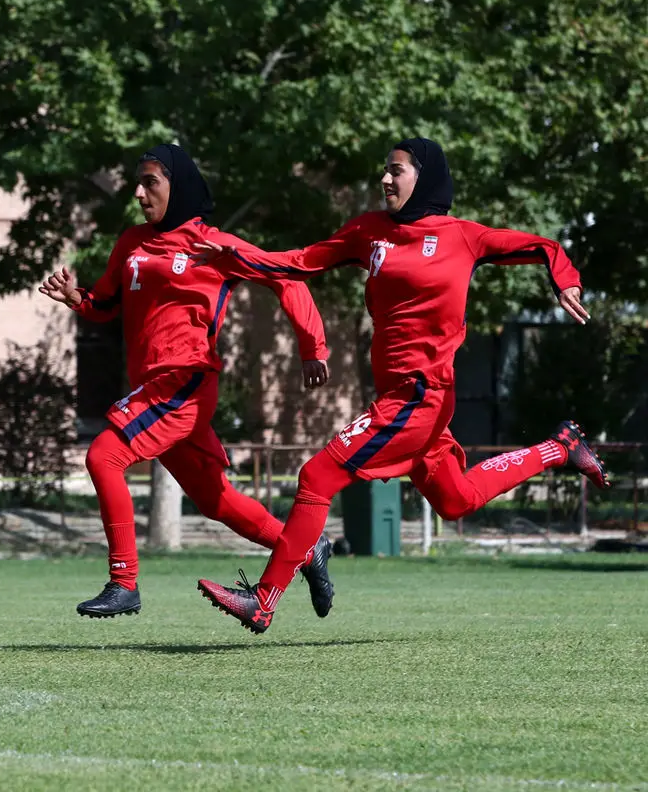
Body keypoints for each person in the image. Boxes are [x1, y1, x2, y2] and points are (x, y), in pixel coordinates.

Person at [192, 137, 610, 634]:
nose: (385, 180)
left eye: (397, 171)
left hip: (422, 395)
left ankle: (263, 600)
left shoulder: (462, 236)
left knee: (316, 477)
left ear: (425, 177)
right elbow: (297, 262)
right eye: (384, 171)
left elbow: (543, 246)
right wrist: (232, 252)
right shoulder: (368, 231)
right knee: (456, 501)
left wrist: (564, 280)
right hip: (400, 397)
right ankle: (559, 449)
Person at [39, 143, 337, 619]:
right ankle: (305, 547)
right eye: (137, 182)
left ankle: (124, 582)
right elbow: (106, 304)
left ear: (177, 188)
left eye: (150, 182)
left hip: (185, 382)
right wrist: (77, 297)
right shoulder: (131, 242)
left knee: (103, 455)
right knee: (216, 501)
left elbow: (288, 278)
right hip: (155, 389)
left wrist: (312, 348)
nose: (138, 193)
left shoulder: (213, 244)